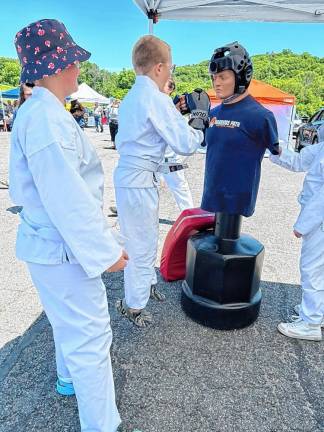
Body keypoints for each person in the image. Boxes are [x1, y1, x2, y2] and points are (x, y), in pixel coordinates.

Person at [10, 19, 129, 432]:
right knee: (92, 337)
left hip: (47, 244)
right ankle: (102, 425)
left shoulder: (39, 112)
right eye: (74, 60)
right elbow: (69, 199)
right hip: (62, 247)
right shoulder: (45, 118)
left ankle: (66, 378)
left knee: (66, 323)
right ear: (57, 65)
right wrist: (107, 252)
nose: (78, 68)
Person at [114, 35, 204, 327]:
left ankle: (144, 286)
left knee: (143, 237)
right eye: (171, 68)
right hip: (139, 179)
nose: (172, 73)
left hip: (133, 176)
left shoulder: (131, 98)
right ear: (159, 68)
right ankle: (134, 305)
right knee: (140, 244)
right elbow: (185, 143)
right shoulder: (155, 98)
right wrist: (200, 124)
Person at [201, 42, 279, 217]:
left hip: (237, 202)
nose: (216, 83)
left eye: (222, 77)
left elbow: (278, 152)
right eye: (213, 78)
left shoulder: (261, 116)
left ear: (242, 76)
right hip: (211, 198)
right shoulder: (211, 114)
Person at [270, 144, 324, 341]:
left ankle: (310, 323)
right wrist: (276, 149)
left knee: (313, 268)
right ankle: (316, 310)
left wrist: (303, 225)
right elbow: (300, 160)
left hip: (319, 221)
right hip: (317, 218)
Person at [161, 78, 194, 211]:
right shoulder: (157, 104)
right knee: (141, 184)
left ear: (170, 89)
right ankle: (124, 207)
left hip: (171, 158)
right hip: (154, 156)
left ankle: (189, 216)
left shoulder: (175, 109)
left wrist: (176, 112)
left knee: (180, 188)